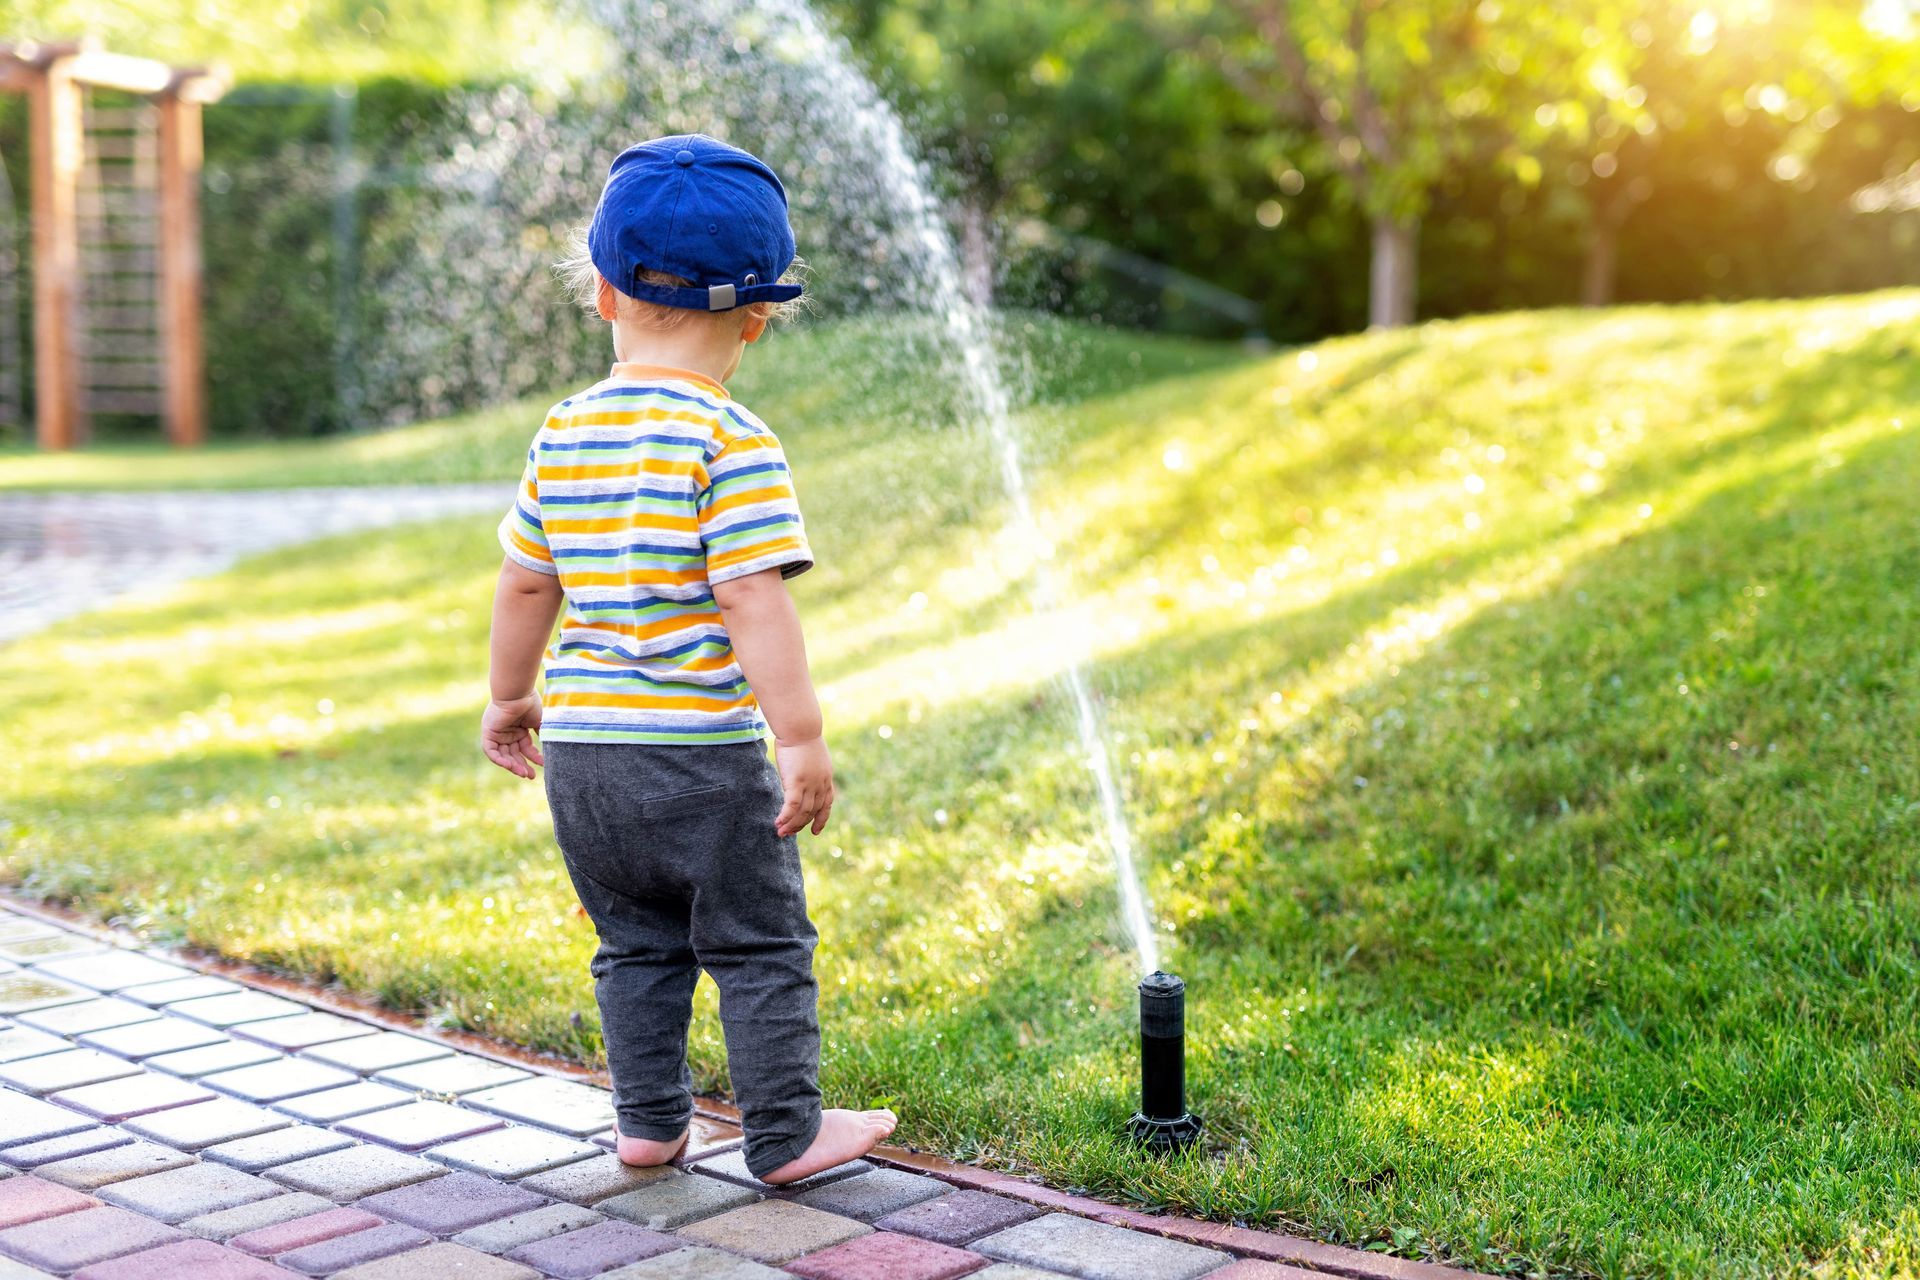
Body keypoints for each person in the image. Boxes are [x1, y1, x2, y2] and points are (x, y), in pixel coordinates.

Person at [479, 134, 895, 1184]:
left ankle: (650, 1124)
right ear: (758, 317)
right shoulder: (730, 437)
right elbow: (748, 592)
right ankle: (787, 1131)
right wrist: (798, 735)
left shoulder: (562, 430)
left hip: (582, 756)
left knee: (635, 945)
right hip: (699, 758)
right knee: (757, 943)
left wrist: (507, 696)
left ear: (606, 294)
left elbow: (528, 581)